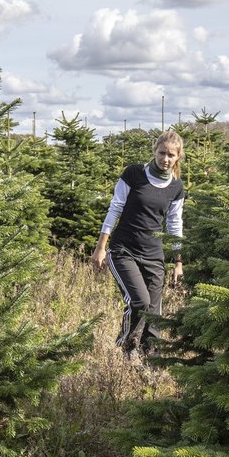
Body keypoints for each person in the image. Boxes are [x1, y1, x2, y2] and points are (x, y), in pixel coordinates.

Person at [91, 130, 185, 359]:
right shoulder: (133, 173)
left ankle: (150, 359)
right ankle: (126, 349)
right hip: (124, 250)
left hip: (154, 255)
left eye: (171, 155)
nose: (165, 159)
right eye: (162, 153)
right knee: (140, 301)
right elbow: (115, 208)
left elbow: (174, 225)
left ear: (178, 157)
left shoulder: (176, 187)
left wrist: (178, 262)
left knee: (154, 313)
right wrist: (101, 246)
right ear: (154, 151)